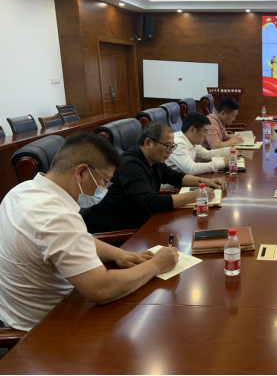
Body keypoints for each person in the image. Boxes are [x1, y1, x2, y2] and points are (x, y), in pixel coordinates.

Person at [0, 133, 180, 332]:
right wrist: (156, 265)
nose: (105, 189)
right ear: (81, 172)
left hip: (17, 312)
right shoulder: (57, 217)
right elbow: (102, 289)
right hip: (46, 326)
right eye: (105, 181)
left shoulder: (21, 190)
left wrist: (118, 254)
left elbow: (75, 239)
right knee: (149, 324)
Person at [85, 121, 226, 234]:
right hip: (120, 232)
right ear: (148, 143)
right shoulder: (129, 165)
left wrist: (206, 182)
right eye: (168, 146)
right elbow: (151, 202)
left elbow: (176, 177)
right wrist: (195, 196)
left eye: (172, 146)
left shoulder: (153, 159)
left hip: (142, 222)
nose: (170, 152)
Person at [167, 112, 233, 175]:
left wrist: (228, 151)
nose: (206, 136)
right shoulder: (178, 143)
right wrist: (223, 163)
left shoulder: (191, 140)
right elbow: (192, 169)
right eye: (204, 132)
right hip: (171, 183)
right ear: (192, 130)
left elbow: (207, 154)